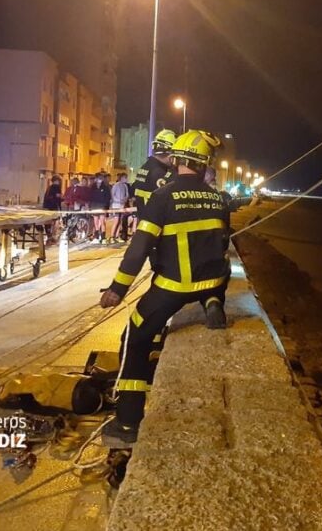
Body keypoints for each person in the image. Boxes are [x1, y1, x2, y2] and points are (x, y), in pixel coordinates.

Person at [99, 130, 229, 447]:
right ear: (205, 165)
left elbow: (139, 248)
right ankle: (211, 300)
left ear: (177, 159)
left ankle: (128, 421)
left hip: (173, 286)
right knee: (208, 284)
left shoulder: (163, 198)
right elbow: (221, 247)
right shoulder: (218, 199)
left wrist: (118, 288)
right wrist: (212, 290)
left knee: (135, 334)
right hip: (211, 281)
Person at [131, 129, 177, 222]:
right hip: (154, 224)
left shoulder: (146, 167)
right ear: (171, 153)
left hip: (144, 221)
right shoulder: (159, 173)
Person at [109, 173, 130, 243]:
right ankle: (112, 236)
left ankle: (117, 236)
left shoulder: (125, 186)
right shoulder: (116, 185)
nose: (126, 179)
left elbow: (127, 195)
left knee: (120, 221)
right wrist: (118, 201)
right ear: (122, 178)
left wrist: (125, 200)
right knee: (116, 220)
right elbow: (112, 195)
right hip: (116, 205)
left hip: (122, 206)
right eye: (125, 178)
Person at [90, 172, 111, 244]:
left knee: (102, 222)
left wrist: (105, 205)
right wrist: (90, 206)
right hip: (94, 206)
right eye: (98, 178)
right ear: (95, 179)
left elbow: (108, 197)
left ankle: (103, 237)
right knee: (95, 222)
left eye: (101, 178)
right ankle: (96, 237)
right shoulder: (92, 187)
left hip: (102, 206)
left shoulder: (105, 187)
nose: (99, 180)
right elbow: (90, 197)